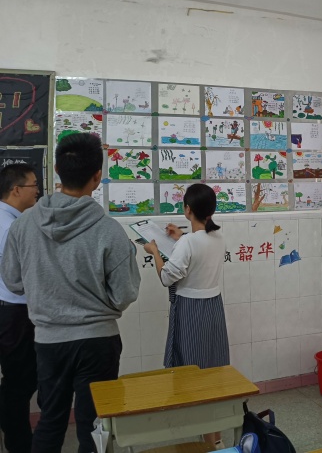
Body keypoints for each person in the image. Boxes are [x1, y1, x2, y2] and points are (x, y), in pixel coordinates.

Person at [1, 133, 141, 453]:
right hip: (98, 340)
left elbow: (12, 281)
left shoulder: (24, 225)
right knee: (95, 425)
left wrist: (43, 290)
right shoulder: (109, 230)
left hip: (48, 340)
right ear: (97, 176)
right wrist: (101, 306)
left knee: (50, 420)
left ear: (57, 171)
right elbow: (125, 293)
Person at [143, 183, 229, 448]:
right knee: (212, 370)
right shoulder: (217, 238)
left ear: (188, 210)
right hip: (213, 309)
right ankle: (216, 436)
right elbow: (197, 246)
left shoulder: (188, 243)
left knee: (193, 372)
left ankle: (207, 437)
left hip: (191, 310)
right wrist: (180, 236)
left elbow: (166, 277)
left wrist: (155, 252)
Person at [0, 164, 40, 453]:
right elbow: (22, 276)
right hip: (15, 314)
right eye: (33, 185)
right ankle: (19, 445)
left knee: (19, 381)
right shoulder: (11, 227)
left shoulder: (10, 220)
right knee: (19, 383)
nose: (37, 190)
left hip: (10, 312)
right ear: (16, 190)